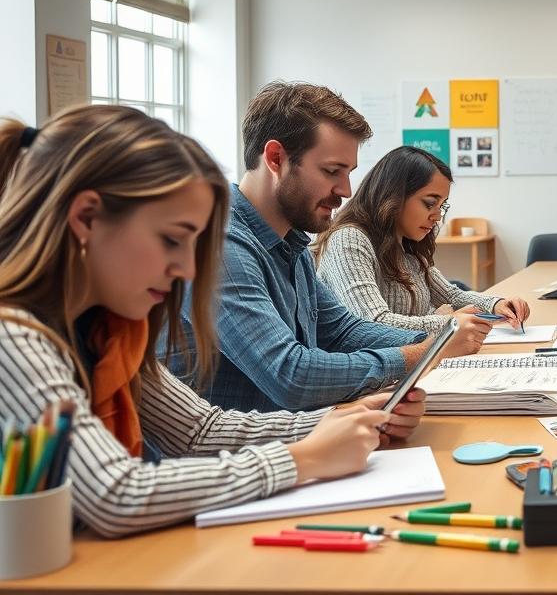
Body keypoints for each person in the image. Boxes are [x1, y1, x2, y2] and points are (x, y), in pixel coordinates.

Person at [0, 106, 427, 537]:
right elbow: (117, 494)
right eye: (171, 240)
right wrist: (301, 460)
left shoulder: (108, 328)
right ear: (87, 218)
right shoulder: (13, 334)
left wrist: (343, 420)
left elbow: (199, 430)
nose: (187, 269)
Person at [165, 81, 491, 413]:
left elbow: (341, 330)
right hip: (233, 455)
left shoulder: (289, 243)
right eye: (332, 171)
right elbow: (291, 375)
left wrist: (440, 342)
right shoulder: (220, 245)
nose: (347, 189)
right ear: (276, 158)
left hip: (291, 438)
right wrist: (426, 352)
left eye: (348, 172)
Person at [315, 146, 530, 339]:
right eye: (429, 204)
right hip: (377, 377)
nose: (437, 216)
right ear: (393, 196)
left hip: (412, 361)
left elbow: (450, 294)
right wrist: (449, 322)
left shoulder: (405, 242)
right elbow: (374, 324)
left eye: (441, 206)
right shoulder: (349, 239)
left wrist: (497, 304)